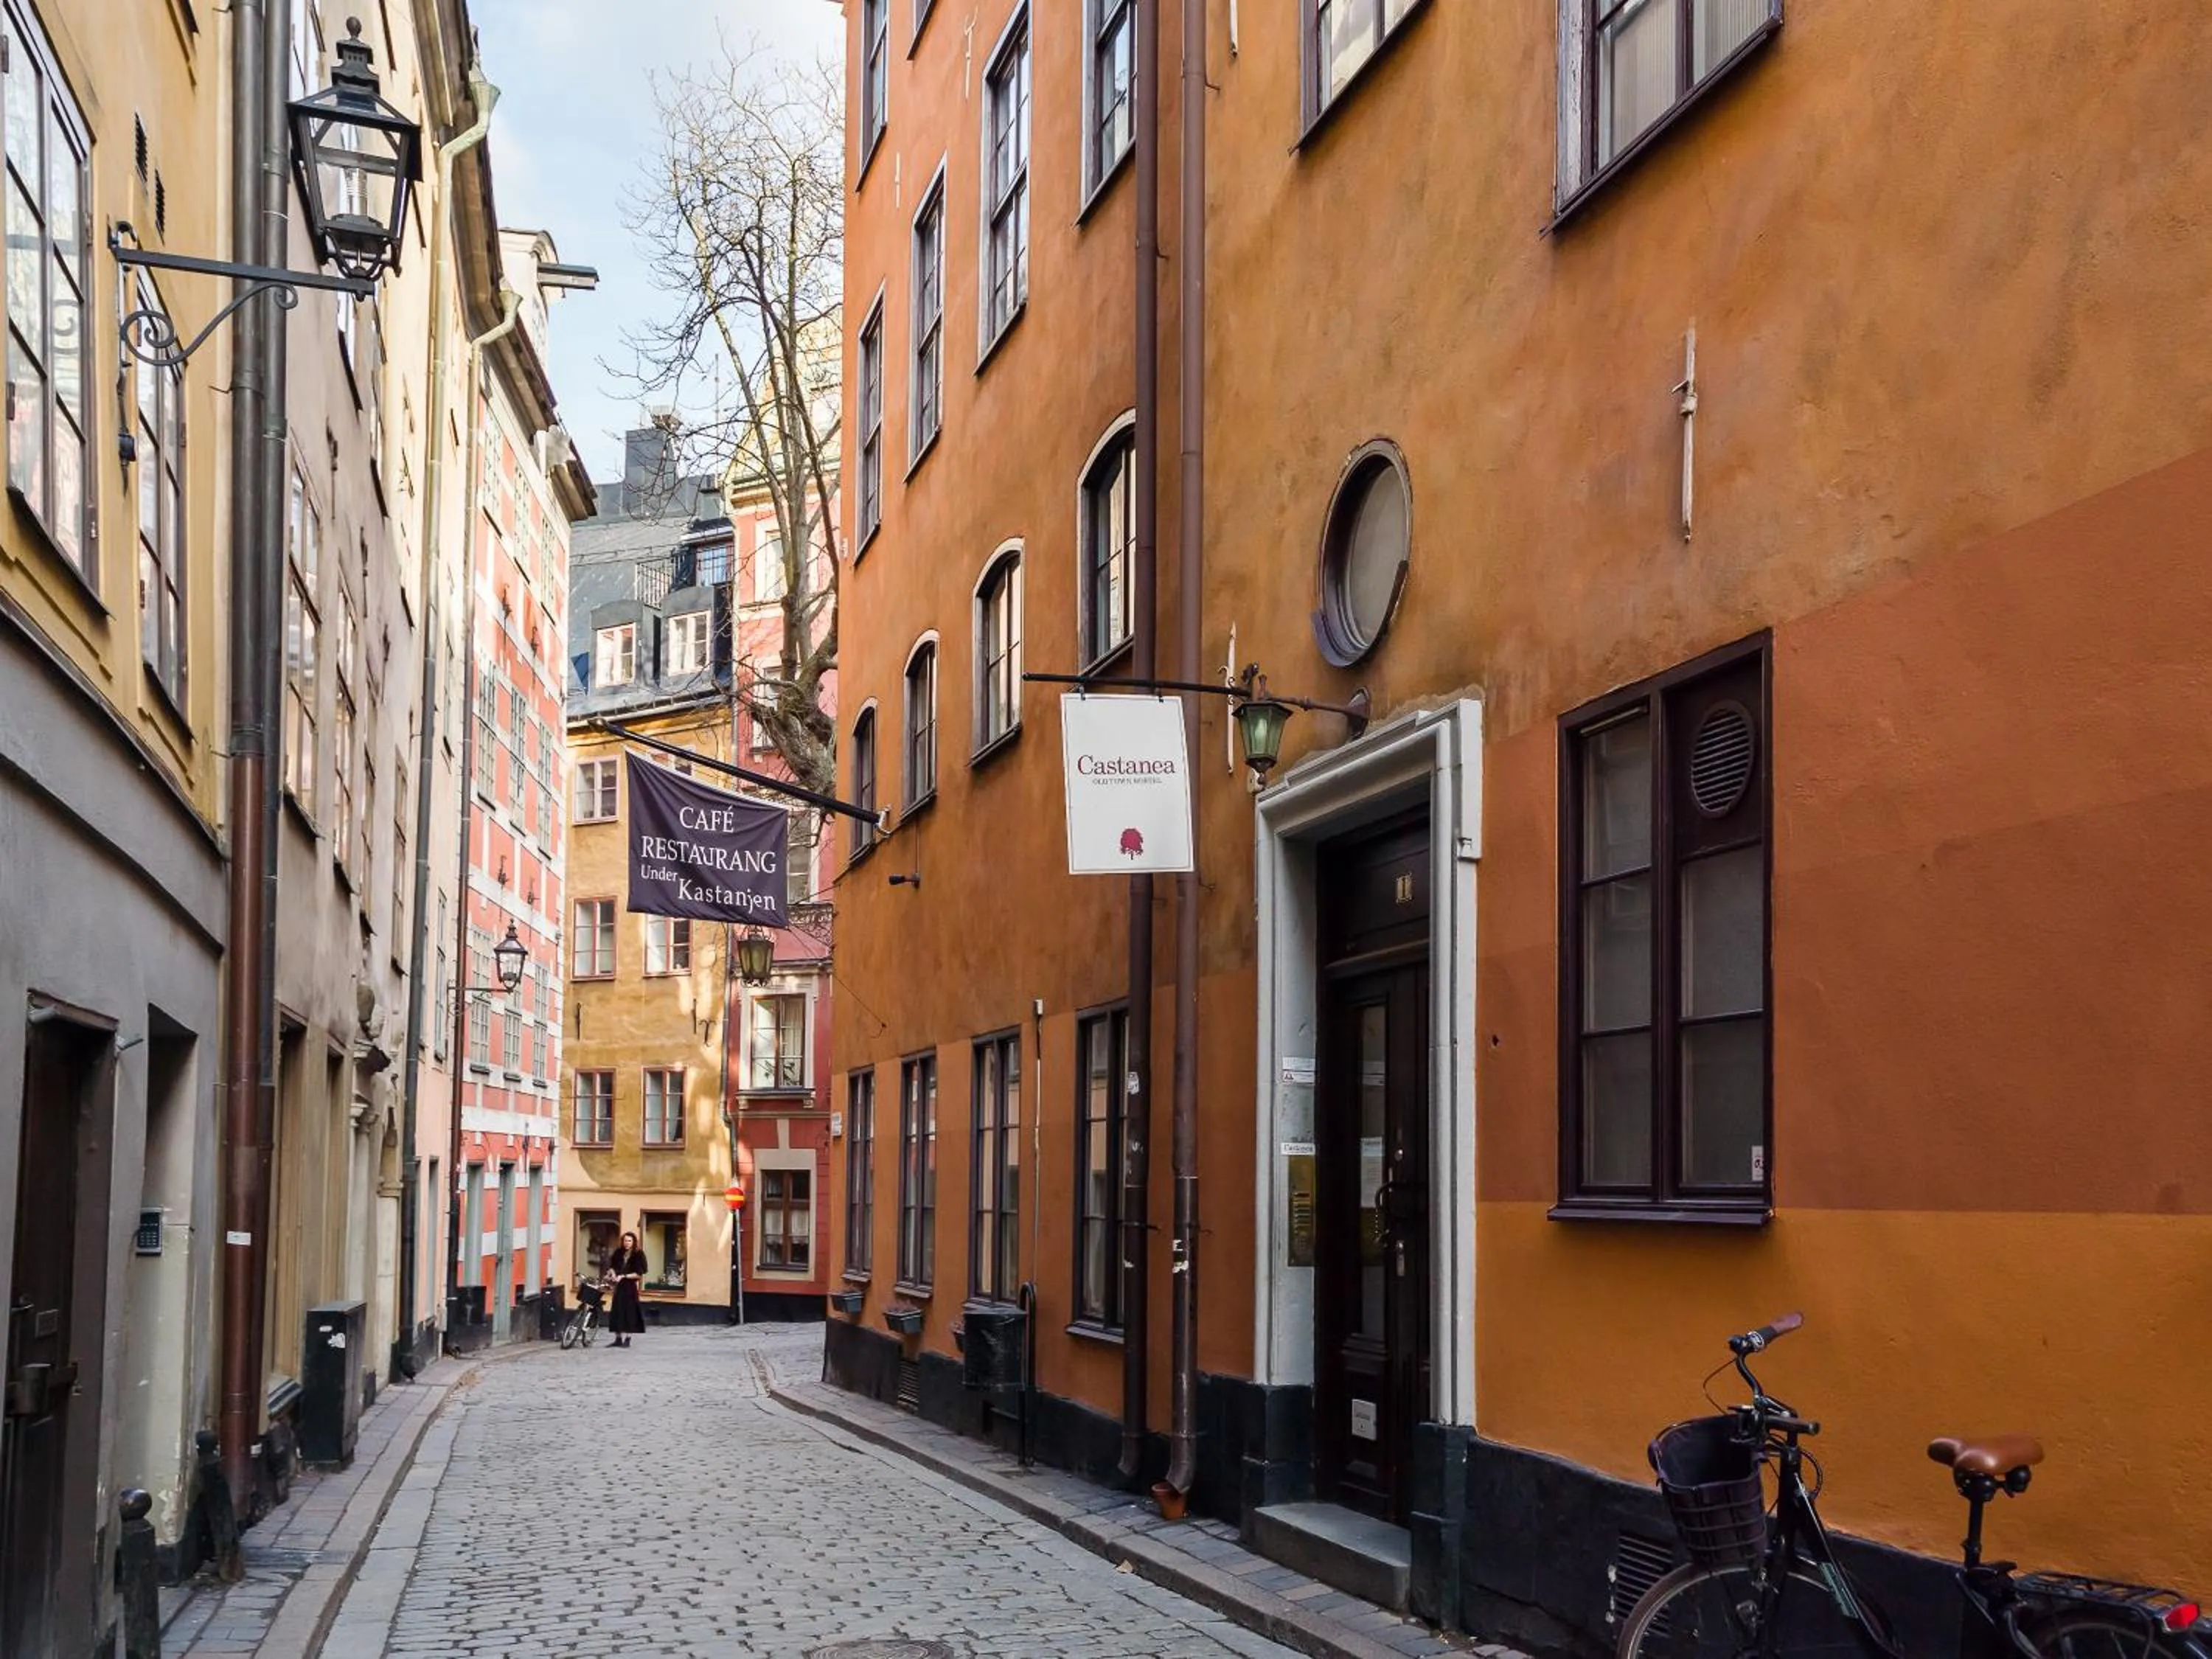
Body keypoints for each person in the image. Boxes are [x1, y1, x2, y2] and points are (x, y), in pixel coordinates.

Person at [605, 1231, 647, 1348]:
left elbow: (639, 1274)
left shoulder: (638, 1254)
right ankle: (618, 1338)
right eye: (625, 1241)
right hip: (619, 1286)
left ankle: (628, 1339)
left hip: (630, 1287)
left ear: (633, 1242)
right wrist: (612, 1274)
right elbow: (612, 1266)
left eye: (629, 1241)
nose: (627, 1243)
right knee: (617, 1311)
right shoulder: (618, 1253)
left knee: (630, 1312)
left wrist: (624, 1276)